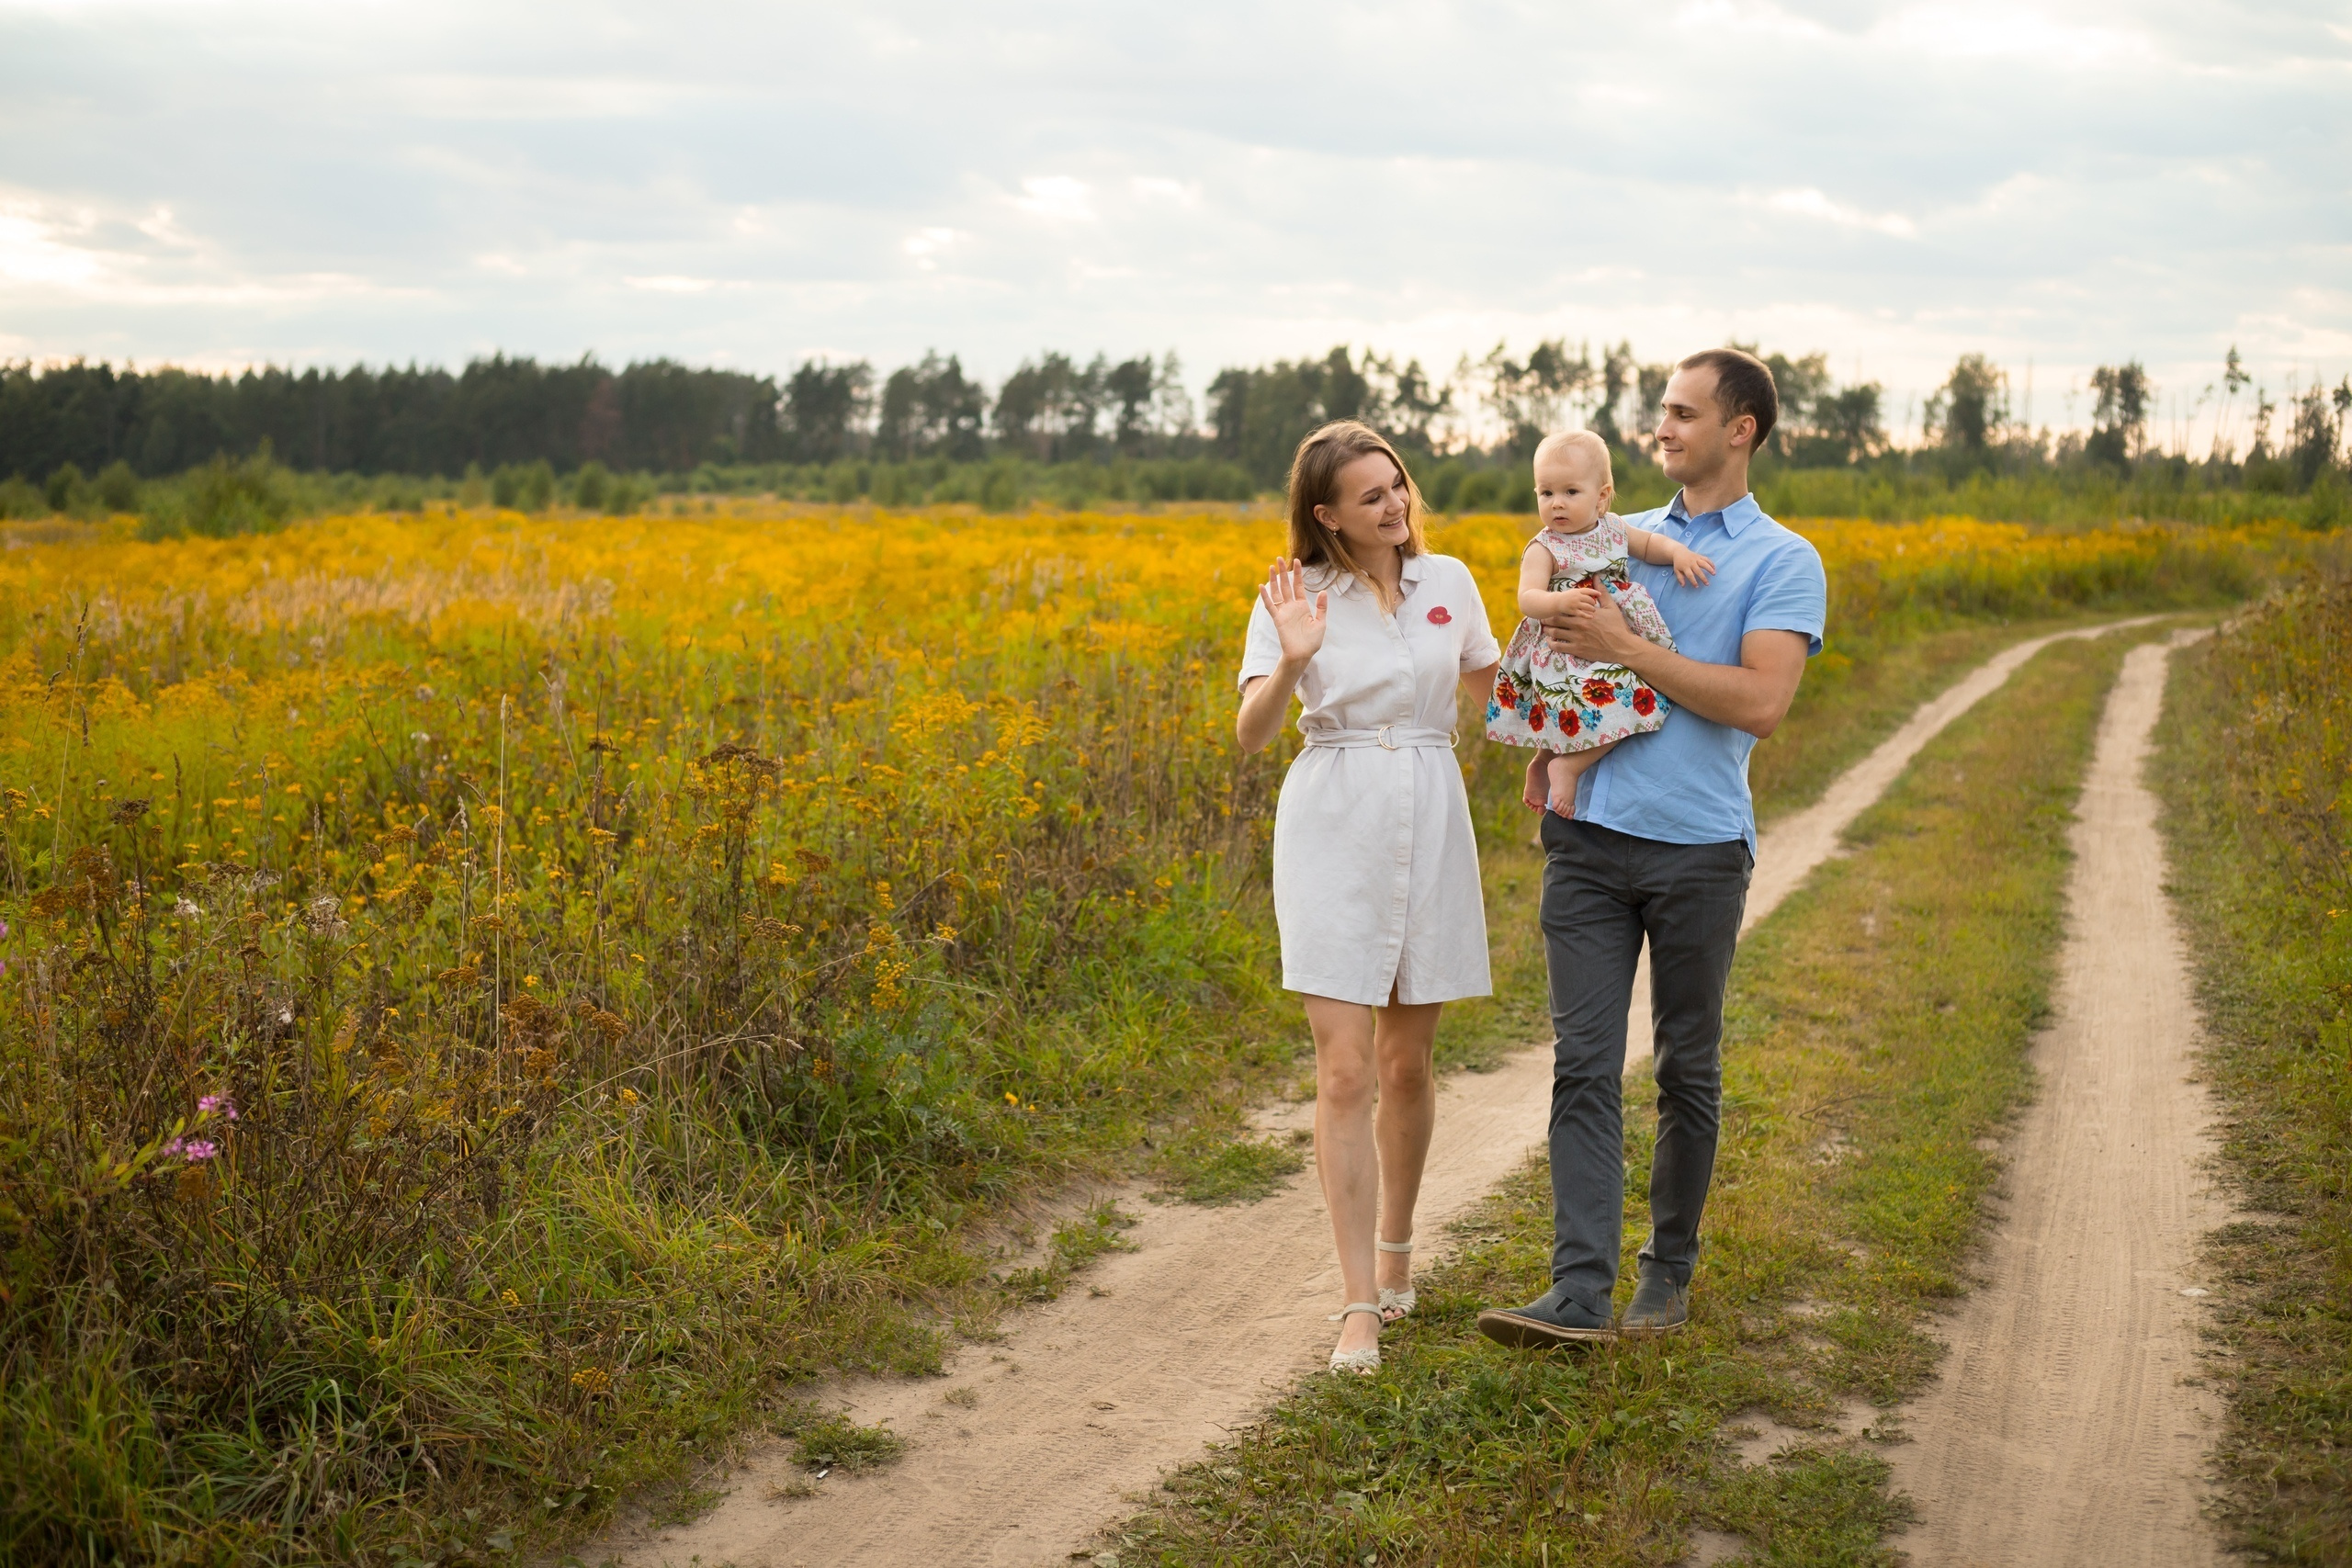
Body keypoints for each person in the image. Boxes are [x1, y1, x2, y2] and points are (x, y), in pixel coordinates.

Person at [1476, 348, 1827, 1347]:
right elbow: (1554, 651)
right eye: (1660, 412)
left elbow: (1759, 704)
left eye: (1682, 413)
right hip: (1587, 840)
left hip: (1697, 849)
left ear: (1740, 430)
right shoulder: (1605, 530)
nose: (1661, 428)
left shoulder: (1782, 561)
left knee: (1685, 1066)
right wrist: (1550, 747)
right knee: (1583, 1063)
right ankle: (1577, 1291)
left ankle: (1665, 1275)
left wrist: (1630, 651)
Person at [1236, 420, 1501, 1374]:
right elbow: (1252, 733)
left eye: (1397, 485)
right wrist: (1293, 659)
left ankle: (1396, 1250)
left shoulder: (1450, 581)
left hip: (1429, 812)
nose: (1394, 505)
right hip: (1333, 818)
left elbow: (1503, 699)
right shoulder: (1291, 596)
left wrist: (1591, 696)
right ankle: (1358, 1304)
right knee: (1345, 1070)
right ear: (1327, 515)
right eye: (1370, 496)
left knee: (1406, 1067)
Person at [1486, 430, 1715, 817]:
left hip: (1611, 636)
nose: (1557, 503)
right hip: (1562, 645)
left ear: (1602, 497)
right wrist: (1559, 601)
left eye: (1571, 492)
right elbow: (1527, 598)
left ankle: (1546, 762)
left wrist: (1678, 553)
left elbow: (1649, 545)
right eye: (1546, 493)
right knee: (1603, 701)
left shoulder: (1613, 528)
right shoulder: (1544, 547)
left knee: (1643, 694)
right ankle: (1567, 766)